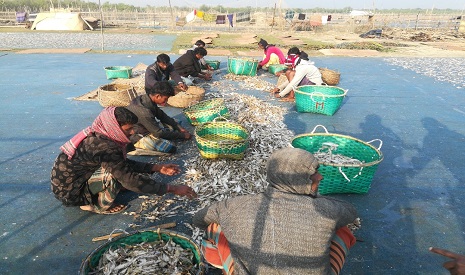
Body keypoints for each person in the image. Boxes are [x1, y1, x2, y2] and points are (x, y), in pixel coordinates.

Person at [193, 147, 358, 274]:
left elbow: (198, 219)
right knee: (342, 229)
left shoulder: (233, 206)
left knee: (215, 227)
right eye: (314, 172)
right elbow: (350, 212)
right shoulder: (326, 209)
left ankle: (218, 264)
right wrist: (313, 197)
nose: (320, 176)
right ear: (301, 179)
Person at [50, 107, 197, 215]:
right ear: (114, 127)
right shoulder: (104, 147)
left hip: (71, 181)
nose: (133, 132)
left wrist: (157, 168)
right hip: (71, 193)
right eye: (128, 129)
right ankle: (94, 204)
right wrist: (172, 189)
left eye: (132, 128)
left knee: (117, 169)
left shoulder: (98, 132)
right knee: (116, 175)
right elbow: (130, 180)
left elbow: (121, 163)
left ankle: (99, 190)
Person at [126, 81, 191, 155]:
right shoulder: (144, 112)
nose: (166, 101)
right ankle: (139, 145)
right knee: (170, 148)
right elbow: (158, 133)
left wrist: (179, 127)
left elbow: (162, 115)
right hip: (137, 134)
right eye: (165, 99)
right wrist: (182, 136)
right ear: (157, 96)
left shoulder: (146, 98)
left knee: (176, 123)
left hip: (147, 125)